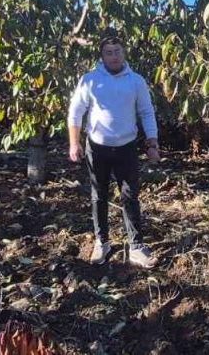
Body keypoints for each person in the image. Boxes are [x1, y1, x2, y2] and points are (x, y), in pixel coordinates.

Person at [67, 35, 160, 268]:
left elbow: (146, 113)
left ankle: (136, 247)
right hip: (97, 147)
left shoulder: (136, 81)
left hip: (126, 148)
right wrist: (74, 143)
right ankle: (102, 242)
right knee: (99, 196)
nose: (114, 56)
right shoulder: (89, 80)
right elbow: (75, 112)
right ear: (102, 56)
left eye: (117, 51)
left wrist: (152, 144)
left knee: (130, 196)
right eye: (109, 52)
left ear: (124, 52)